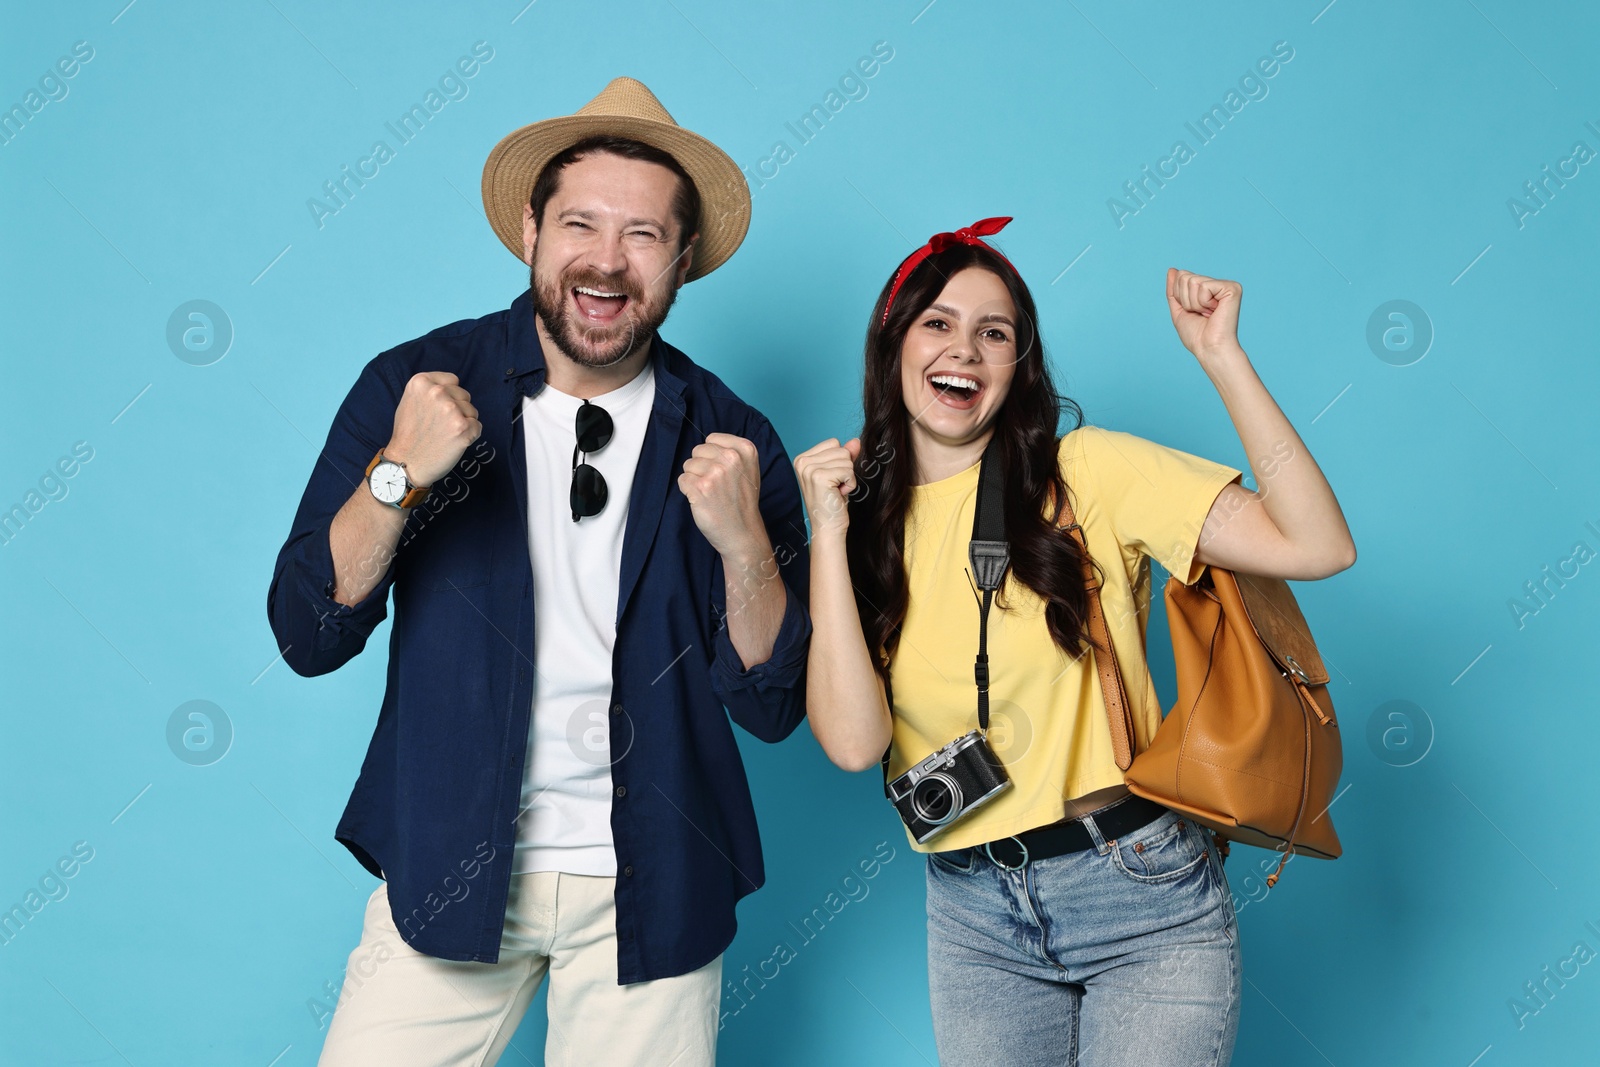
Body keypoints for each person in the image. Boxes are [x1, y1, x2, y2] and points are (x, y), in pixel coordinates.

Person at [266, 77, 812, 1067]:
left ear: (683, 258)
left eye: (643, 234)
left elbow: (772, 705)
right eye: (581, 223)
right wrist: (397, 476)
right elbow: (308, 632)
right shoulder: (418, 383)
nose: (607, 261)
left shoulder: (732, 434)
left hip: (657, 880)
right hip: (448, 859)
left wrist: (742, 545)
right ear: (530, 229)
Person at [794, 217, 1356, 1066]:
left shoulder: (1086, 473)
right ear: (893, 345)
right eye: (938, 323)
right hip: (969, 910)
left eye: (996, 332)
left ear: (1018, 365)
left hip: (1136, 892)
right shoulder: (864, 525)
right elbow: (851, 743)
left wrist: (1223, 359)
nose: (966, 350)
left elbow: (1317, 546)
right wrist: (828, 532)